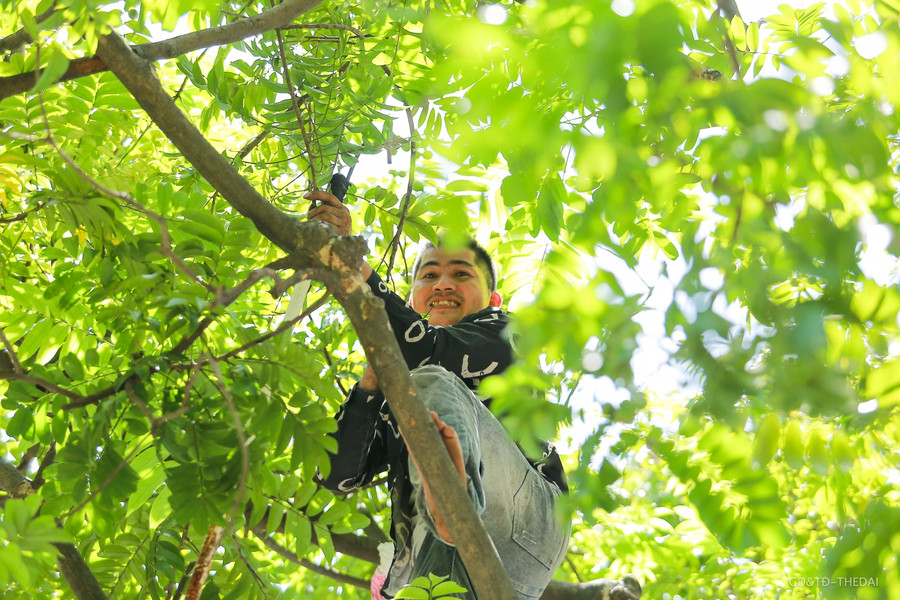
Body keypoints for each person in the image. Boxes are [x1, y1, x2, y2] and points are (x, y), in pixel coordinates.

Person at [308, 190, 570, 600]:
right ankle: (448, 512)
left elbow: (429, 349)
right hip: (437, 555)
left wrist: (351, 262)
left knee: (431, 379)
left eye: (461, 275)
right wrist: (370, 387)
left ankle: (454, 505)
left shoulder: (506, 330)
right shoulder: (406, 383)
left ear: (493, 298)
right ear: (412, 299)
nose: (443, 284)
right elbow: (335, 477)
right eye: (429, 276)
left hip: (526, 525)